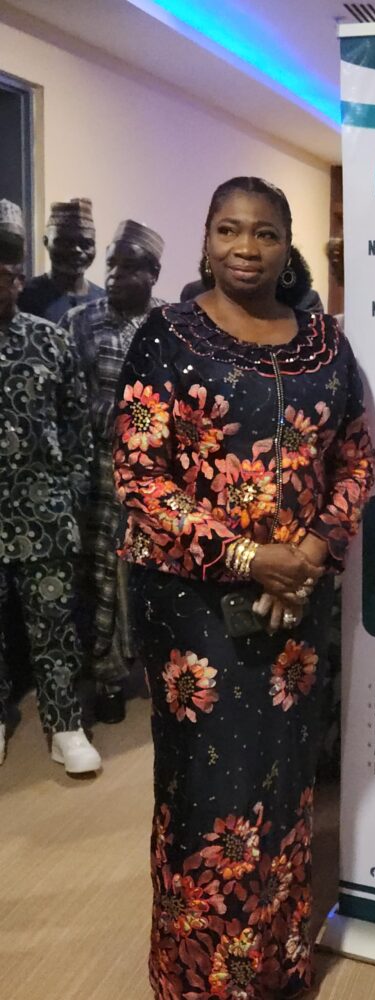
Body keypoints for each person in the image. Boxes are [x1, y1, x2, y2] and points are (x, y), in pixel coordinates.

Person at [112, 176, 374, 998]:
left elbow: (356, 457)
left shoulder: (324, 343)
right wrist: (246, 556)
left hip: (297, 603)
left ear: (287, 245)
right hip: (192, 610)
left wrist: (314, 548)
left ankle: (278, 964)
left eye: (264, 232)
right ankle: (197, 979)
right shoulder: (167, 336)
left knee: (285, 784)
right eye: (228, 230)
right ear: (204, 239)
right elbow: (139, 475)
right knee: (206, 790)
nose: (246, 248)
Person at [0, 198, 102, 773]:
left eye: (10, 263)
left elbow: (78, 428)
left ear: (21, 272)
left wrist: (69, 498)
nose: (3, 274)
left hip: (43, 515)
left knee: (54, 624)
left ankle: (65, 726)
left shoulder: (50, 339)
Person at [63, 220, 166, 725]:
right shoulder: (80, 322)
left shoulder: (170, 325)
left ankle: (155, 669)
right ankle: (105, 678)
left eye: (129, 267)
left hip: (157, 474)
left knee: (153, 573)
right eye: (112, 265)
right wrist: (125, 417)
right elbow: (68, 400)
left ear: (153, 273)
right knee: (102, 575)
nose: (115, 276)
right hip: (99, 473)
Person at [18, 197, 104, 322]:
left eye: (86, 244)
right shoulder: (24, 296)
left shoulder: (104, 301)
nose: (77, 250)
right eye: (66, 243)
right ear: (46, 242)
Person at [178, 245, 325, 313]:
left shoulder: (305, 303)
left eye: (265, 235)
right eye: (227, 231)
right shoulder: (194, 294)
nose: (245, 250)